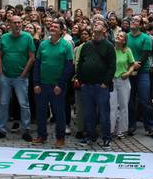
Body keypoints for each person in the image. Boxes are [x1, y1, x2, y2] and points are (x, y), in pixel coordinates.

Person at [0, 16, 35, 142]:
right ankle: (1, 129)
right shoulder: (4, 38)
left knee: (23, 104)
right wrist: (0, 72)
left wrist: (24, 73)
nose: (17, 25)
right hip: (5, 76)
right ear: (9, 24)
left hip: (20, 77)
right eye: (15, 23)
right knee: (3, 103)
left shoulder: (27, 37)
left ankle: (26, 129)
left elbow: (32, 57)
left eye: (19, 22)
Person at [32, 20, 74, 147]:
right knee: (41, 112)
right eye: (51, 26)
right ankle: (41, 136)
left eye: (56, 27)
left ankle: (60, 138)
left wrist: (60, 85)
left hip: (57, 86)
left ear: (62, 31)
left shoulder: (66, 45)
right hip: (42, 85)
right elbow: (37, 64)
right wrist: (36, 83)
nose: (53, 28)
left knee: (59, 112)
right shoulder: (43, 44)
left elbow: (69, 67)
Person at [76, 18, 116, 148]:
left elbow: (112, 67)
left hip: (101, 86)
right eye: (95, 23)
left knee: (104, 113)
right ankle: (90, 136)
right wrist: (81, 81)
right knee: (88, 113)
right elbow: (80, 64)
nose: (96, 24)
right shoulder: (86, 46)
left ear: (104, 29)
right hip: (86, 86)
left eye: (99, 23)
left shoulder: (109, 46)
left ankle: (106, 138)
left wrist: (105, 83)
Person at [126, 16, 153, 137]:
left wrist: (135, 65)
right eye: (132, 20)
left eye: (136, 21)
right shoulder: (126, 36)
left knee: (145, 100)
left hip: (142, 71)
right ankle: (131, 125)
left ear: (140, 25)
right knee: (130, 100)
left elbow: (145, 56)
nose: (132, 22)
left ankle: (149, 126)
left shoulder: (146, 38)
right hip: (129, 72)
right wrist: (130, 68)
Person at [110, 31, 136, 139]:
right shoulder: (110, 50)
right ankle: (110, 130)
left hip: (123, 80)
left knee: (124, 105)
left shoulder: (127, 51)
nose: (118, 36)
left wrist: (129, 73)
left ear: (124, 40)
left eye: (121, 36)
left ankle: (121, 130)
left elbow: (133, 64)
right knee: (112, 106)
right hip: (112, 80)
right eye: (117, 35)